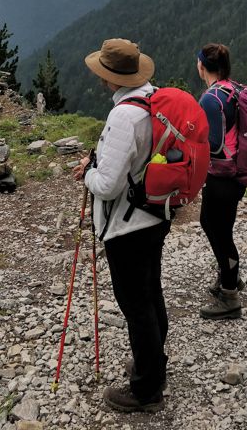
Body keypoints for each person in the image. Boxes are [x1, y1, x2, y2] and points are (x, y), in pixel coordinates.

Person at [74, 38, 168, 413]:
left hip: (128, 225)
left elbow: (109, 185)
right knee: (150, 292)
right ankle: (155, 365)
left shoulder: (124, 115)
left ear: (110, 78)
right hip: (156, 213)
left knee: (135, 304)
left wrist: (87, 175)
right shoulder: (154, 99)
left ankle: (146, 390)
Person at [197, 42, 245, 320]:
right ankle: (230, 274)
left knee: (220, 232)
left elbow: (214, 145)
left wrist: (190, 141)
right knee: (214, 225)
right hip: (236, 175)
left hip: (221, 176)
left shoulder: (210, 98)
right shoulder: (233, 89)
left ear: (202, 66)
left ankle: (230, 296)